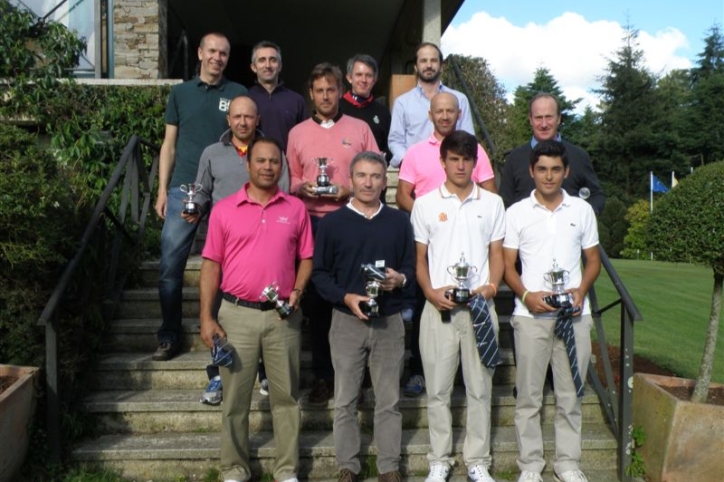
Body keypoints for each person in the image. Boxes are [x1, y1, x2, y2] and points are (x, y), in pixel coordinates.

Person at [198, 136, 313, 482]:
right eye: (260, 161)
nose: (267, 167)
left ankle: (287, 470)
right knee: (234, 399)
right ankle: (234, 469)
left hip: (283, 316)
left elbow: (306, 257)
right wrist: (206, 316)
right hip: (236, 315)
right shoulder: (224, 210)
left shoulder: (295, 209)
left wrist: (298, 290)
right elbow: (210, 266)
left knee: (287, 398)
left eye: (274, 162)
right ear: (247, 166)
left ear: (282, 166)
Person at [312, 151, 415, 482]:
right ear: (350, 180)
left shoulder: (399, 222)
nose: (368, 182)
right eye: (361, 176)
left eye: (375, 176)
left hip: (389, 320)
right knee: (344, 399)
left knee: (389, 399)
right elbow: (320, 274)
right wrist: (345, 296)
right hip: (345, 321)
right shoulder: (332, 224)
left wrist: (400, 279)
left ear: (385, 181)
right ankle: (348, 465)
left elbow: (412, 267)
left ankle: (388, 467)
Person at [502, 140, 601, 482]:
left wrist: (581, 290)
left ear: (566, 171)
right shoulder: (515, 213)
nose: (549, 176)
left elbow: (592, 260)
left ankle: (568, 464)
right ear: (531, 171)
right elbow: (506, 266)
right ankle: (530, 466)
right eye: (542, 169)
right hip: (531, 318)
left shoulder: (581, 211)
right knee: (528, 396)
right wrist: (527, 295)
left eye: (556, 169)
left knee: (570, 395)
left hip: (574, 315)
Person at [411, 131, 505, 482]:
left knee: (480, 388)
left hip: (480, 309)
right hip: (439, 310)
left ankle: (477, 461)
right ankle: (440, 459)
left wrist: (491, 287)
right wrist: (430, 292)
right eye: (454, 158)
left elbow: (497, 254)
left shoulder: (493, 203)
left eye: (467, 159)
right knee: (437, 388)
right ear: (443, 161)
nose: (461, 165)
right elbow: (419, 259)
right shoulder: (424, 204)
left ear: (476, 162)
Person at [287, 62, 379, 406]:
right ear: (311, 94)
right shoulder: (297, 133)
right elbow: (291, 179)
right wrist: (305, 186)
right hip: (311, 224)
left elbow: (375, 172)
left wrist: (350, 192)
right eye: (319, 90)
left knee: (358, 294)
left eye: (331, 89)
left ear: (341, 91)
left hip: (352, 221)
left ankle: (362, 373)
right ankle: (325, 376)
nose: (326, 96)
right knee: (318, 301)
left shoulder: (359, 128)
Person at [188, 95, 289, 404]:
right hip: (226, 242)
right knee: (221, 310)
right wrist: (195, 206)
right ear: (228, 120)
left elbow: (282, 190)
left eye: (249, 116)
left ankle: (263, 373)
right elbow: (202, 191)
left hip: (264, 239)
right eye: (237, 117)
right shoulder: (211, 153)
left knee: (260, 310)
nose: (243, 122)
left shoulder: (271, 152)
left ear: (257, 119)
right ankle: (219, 374)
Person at [395, 91, 497, 397]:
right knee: (422, 307)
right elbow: (402, 195)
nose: (444, 116)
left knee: (479, 384)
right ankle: (418, 371)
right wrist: (433, 219)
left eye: (450, 111)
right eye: (438, 111)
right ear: (430, 115)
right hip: (431, 231)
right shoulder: (415, 152)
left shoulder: (474, 150)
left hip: (468, 231)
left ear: (457, 114)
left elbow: (490, 189)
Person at [154, 32, 247, 361]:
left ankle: (220, 334)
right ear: (200, 53)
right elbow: (169, 144)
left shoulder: (237, 93)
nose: (217, 57)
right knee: (169, 266)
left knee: (225, 266)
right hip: (183, 189)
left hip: (224, 191)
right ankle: (169, 335)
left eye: (223, 53)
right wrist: (162, 189)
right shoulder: (179, 93)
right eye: (212, 51)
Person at [500, 93, 605, 215]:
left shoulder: (579, 156)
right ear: (530, 119)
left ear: (559, 118)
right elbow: (505, 202)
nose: (544, 124)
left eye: (549, 117)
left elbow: (597, 196)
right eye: (538, 118)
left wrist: (582, 218)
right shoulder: (515, 158)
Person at [388, 42, 474, 168]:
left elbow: (468, 138)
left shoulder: (459, 99)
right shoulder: (403, 102)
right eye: (423, 61)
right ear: (416, 67)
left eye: (433, 60)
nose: (428, 65)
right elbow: (395, 140)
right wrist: (409, 162)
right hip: (415, 172)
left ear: (441, 65)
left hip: (451, 171)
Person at [247, 40, 308, 151]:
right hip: (253, 165)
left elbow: (304, 140)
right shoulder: (245, 98)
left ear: (279, 66)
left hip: (287, 165)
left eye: (273, 60)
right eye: (262, 60)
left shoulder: (296, 100)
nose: (268, 65)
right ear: (253, 67)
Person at [339, 54, 392, 163]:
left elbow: (390, 145)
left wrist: (384, 157)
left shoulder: (383, 112)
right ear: (349, 78)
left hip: (372, 173)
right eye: (359, 74)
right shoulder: (337, 108)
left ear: (375, 79)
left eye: (368, 75)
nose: (363, 80)